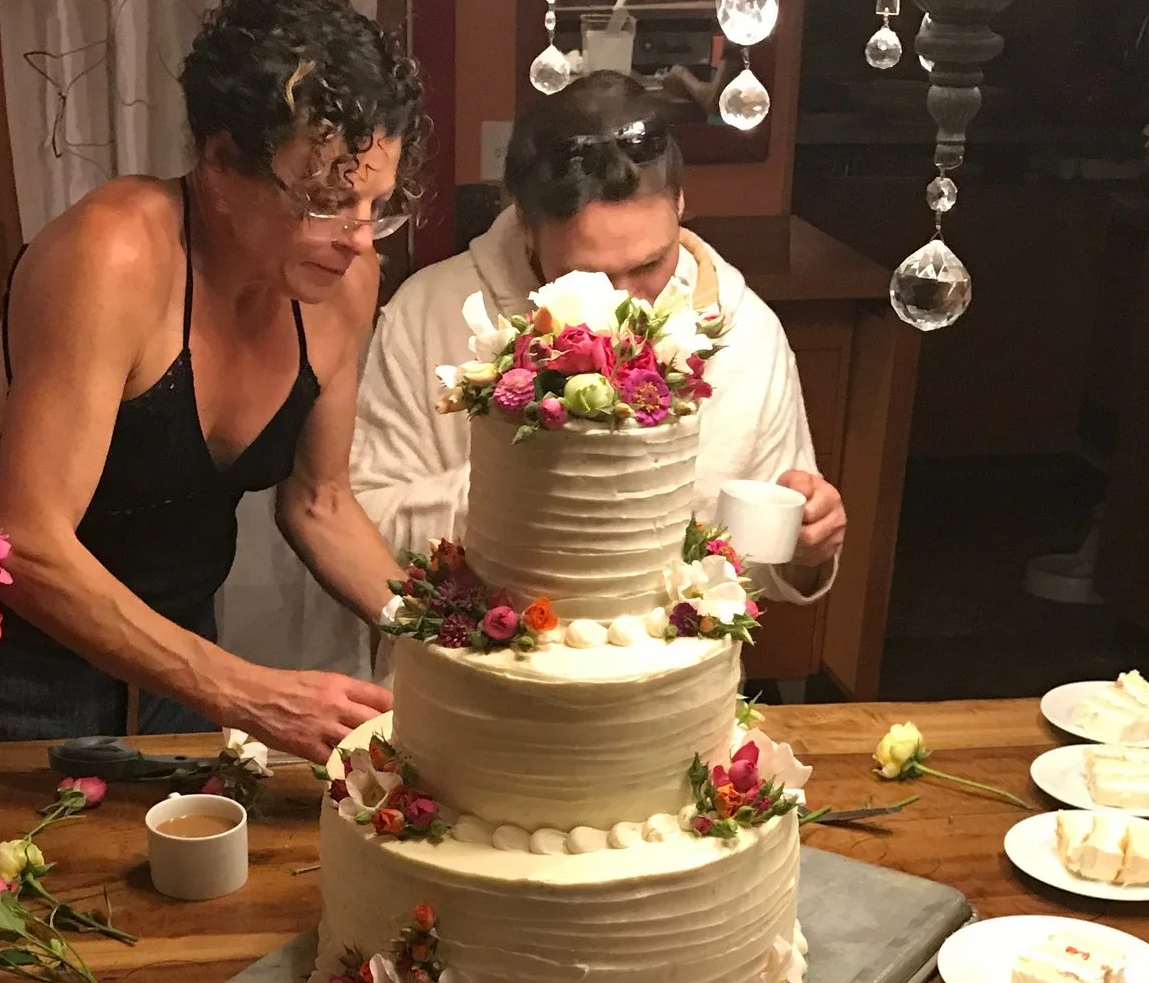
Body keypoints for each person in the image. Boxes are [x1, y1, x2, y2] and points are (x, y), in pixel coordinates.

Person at [0, 0, 419, 763]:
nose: (358, 238)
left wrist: (453, 637)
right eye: (323, 203)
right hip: (23, 665)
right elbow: (26, 543)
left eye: (377, 205)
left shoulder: (346, 280)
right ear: (219, 162)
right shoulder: (113, 254)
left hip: (179, 652)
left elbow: (320, 504)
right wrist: (250, 692)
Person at [351, 72, 847, 605]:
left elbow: (759, 565)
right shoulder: (428, 313)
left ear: (679, 203)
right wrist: (520, 493)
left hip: (659, 674)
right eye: (589, 277)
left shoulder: (746, 330)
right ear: (526, 226)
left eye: (651, 263)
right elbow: (359, 522)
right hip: (477, 664)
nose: (626, 306)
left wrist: (806, 551)